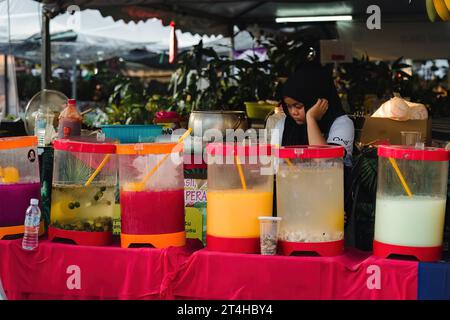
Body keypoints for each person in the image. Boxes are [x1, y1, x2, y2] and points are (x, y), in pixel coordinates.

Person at [271, 64, 354, 166]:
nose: (293, 112)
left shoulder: (342, 124)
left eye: (298, 106)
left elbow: (324, 162)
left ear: (317, 101)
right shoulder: (283, 125)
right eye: (289, 106)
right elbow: (274, 166)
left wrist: (311, 118)